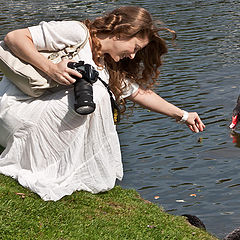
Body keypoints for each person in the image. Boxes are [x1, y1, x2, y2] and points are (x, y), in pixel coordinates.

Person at [0, 6, 205, 201]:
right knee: (96, 93)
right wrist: (51, 68)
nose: (133, 56)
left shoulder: (105, 66)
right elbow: (14, 37)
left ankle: (60, 166)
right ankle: (43, 167)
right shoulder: (77, 33)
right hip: (18, 110)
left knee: (96, 92)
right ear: (121, 32)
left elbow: (140, 94)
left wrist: (184, 115)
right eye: (134, 48)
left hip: (39, 117)